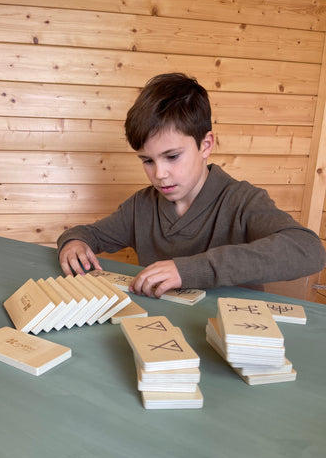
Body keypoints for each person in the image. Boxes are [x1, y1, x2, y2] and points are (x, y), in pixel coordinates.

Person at [57, 72, 325, 298]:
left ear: (206, 145)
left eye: (172, 156)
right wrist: (74, 242)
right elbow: (88, 234)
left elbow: (309, 250)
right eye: (147, 161)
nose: (160, 174)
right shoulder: (141, 206)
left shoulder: (242, 200)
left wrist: (187, 270)